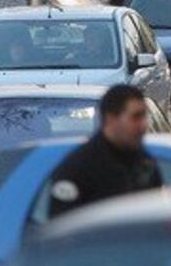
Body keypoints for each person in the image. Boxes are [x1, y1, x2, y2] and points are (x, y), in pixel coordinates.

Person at [46, 84, 164, 218]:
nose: (143, 125)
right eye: (135, 117)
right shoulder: (78, 168)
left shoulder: (145, 163)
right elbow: (61, 228)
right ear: (111, 119)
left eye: (144, 117)